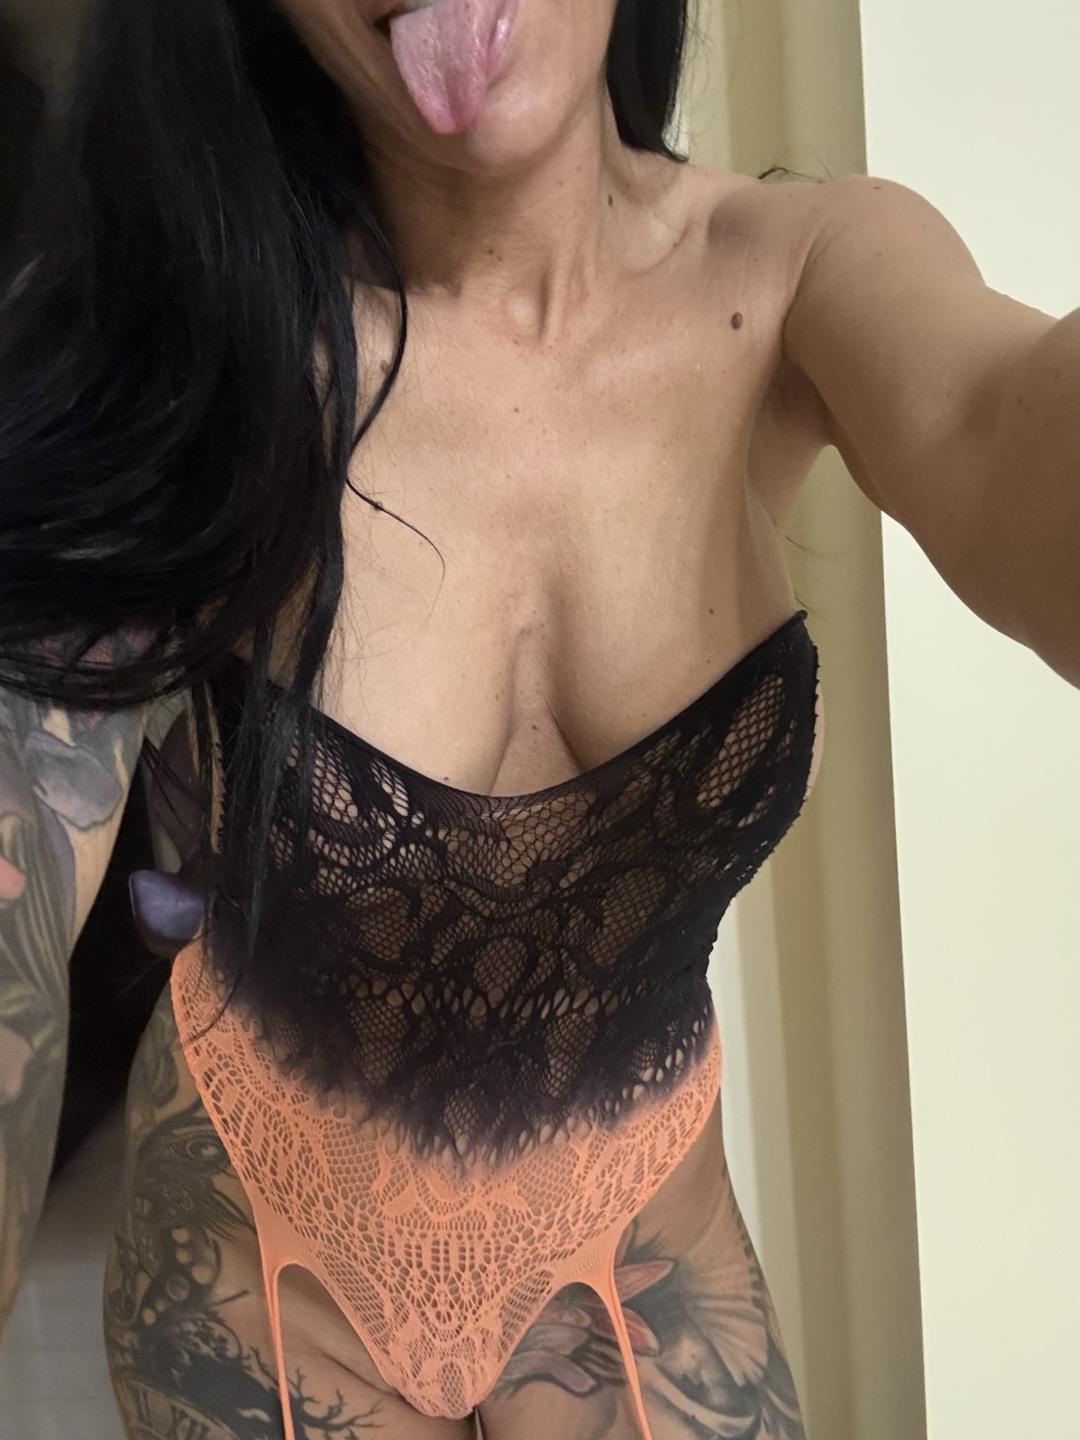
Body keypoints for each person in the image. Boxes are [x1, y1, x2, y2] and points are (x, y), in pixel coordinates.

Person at [1, 2, 1076, 1438]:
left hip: (638, 1266)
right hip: (263, 1256)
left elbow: (1006, 426)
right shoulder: (175, 355)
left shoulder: (807, 277)